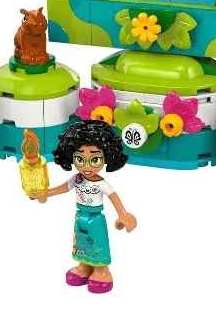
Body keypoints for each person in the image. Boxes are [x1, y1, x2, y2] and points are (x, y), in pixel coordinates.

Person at [31, 121, 137, 293]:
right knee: (80, 242)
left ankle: (102, 270)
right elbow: (64, 188)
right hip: (80, 216)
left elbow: (114, 197)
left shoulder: (102, 184)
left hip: (96, 218)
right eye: (80, 159)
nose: (86, 166)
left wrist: (123, 215)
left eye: (95, 159)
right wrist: (45, 193)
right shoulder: (77, 178)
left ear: (107, 157)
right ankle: (84, 266)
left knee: (98, 244)